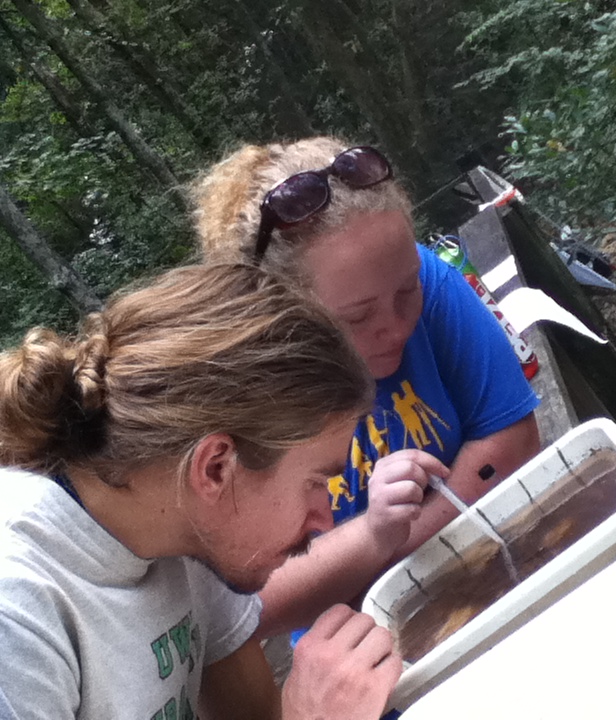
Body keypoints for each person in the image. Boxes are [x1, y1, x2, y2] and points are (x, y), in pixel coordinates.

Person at [0, 262, 447, 719]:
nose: (326, 517)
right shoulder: (17, 613)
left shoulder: (184, 526)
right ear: (215, 468)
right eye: (317, 482)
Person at [191, 137, 541, 636]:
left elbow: (514, 439)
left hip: (507, 569)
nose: (397, 327)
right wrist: (376, 535)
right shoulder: (243, 409)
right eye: (356, 317)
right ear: (280, 315)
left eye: (407, 291)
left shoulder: (427, 277)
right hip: (374, 648)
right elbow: (251, 605)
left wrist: (387, 548)